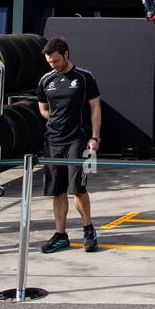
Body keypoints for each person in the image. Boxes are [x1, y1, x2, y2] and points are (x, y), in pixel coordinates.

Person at [36, 38, 103, 254]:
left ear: (66, 54)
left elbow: (95, 107)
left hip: (78, 140)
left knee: (78, 189)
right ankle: (60, 234)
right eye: (49, 62)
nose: (53, 65)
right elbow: (43, 109)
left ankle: (88, 229)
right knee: (57, 190)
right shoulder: (46, 80)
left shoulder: (84, 77)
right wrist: (57, 122)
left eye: (56, 61)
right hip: (53, 141)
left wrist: (95, 137)